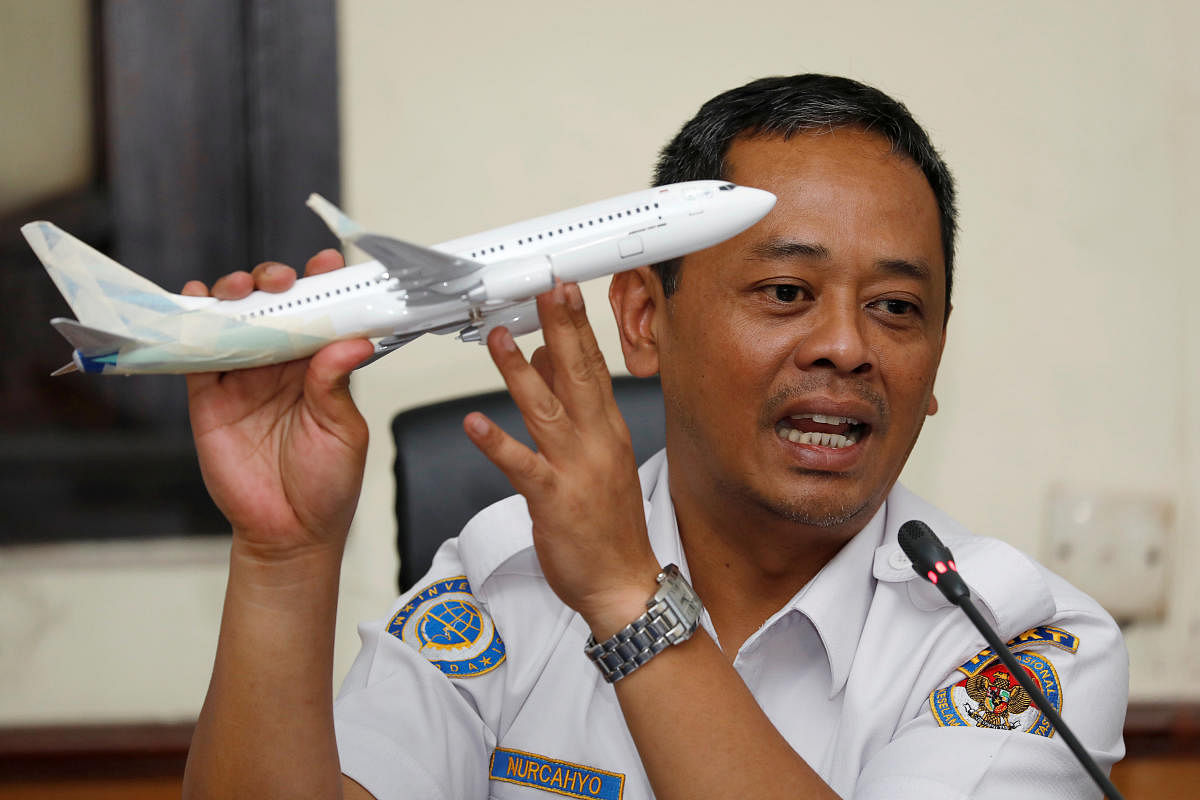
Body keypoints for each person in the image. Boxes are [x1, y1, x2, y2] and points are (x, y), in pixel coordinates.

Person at [181, 75, 1127, 799]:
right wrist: (285, 556)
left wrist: (631, 600)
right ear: (642, 319)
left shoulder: (1019, 646)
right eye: (787, 294)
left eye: (895, 307)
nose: (847, 346)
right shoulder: (502, 577)